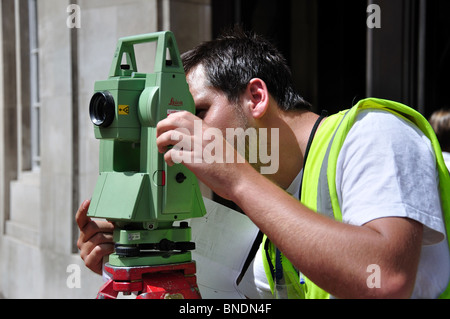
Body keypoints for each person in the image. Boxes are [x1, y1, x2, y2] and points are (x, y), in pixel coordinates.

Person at [77, 27, 450, 299]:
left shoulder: (375, 133)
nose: (183, 130)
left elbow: (386, 278)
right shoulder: (267, 216)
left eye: (198, 111)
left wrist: (237, 179)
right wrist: (138, 265)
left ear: (255, 96)